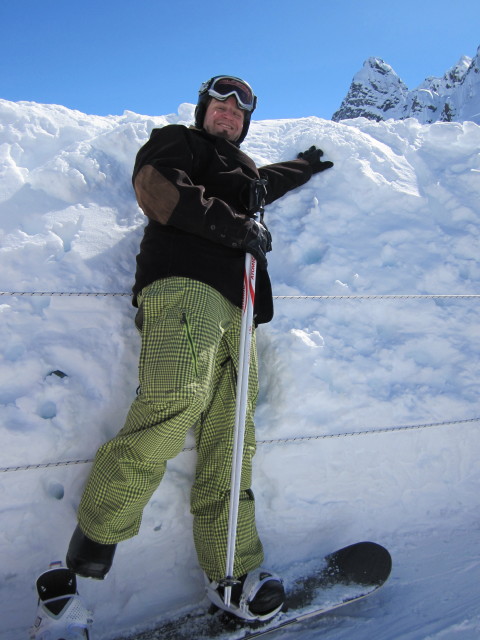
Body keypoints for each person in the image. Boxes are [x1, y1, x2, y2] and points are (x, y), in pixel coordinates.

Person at [65, 75, 334, 621]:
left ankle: (232, 573)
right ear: (203, 111)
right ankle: (97, 533)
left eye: (240, 110)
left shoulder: (245, 172)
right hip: (186, 283)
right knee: (177, 398)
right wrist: (238, 229)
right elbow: (157, 186)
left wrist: (301, 168)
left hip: (242, 307)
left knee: (233, 438)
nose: (230, 113)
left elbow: (263, 182)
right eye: (220, 104)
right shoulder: (179, 143)